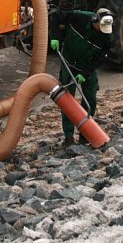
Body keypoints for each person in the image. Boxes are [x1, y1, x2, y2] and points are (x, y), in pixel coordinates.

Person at [49, 8, 115, 147]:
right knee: (67, 102)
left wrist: (85, 73)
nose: (101, 30)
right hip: (68, 64)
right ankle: (68, 138)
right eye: (99, 26)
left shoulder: (106, 36)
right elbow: (55, 15)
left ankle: (85, 134)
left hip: (87, 68)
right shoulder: (79, 17)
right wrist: (54, 36)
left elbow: (101, 58)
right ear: (95, 20)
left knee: (90, 99)